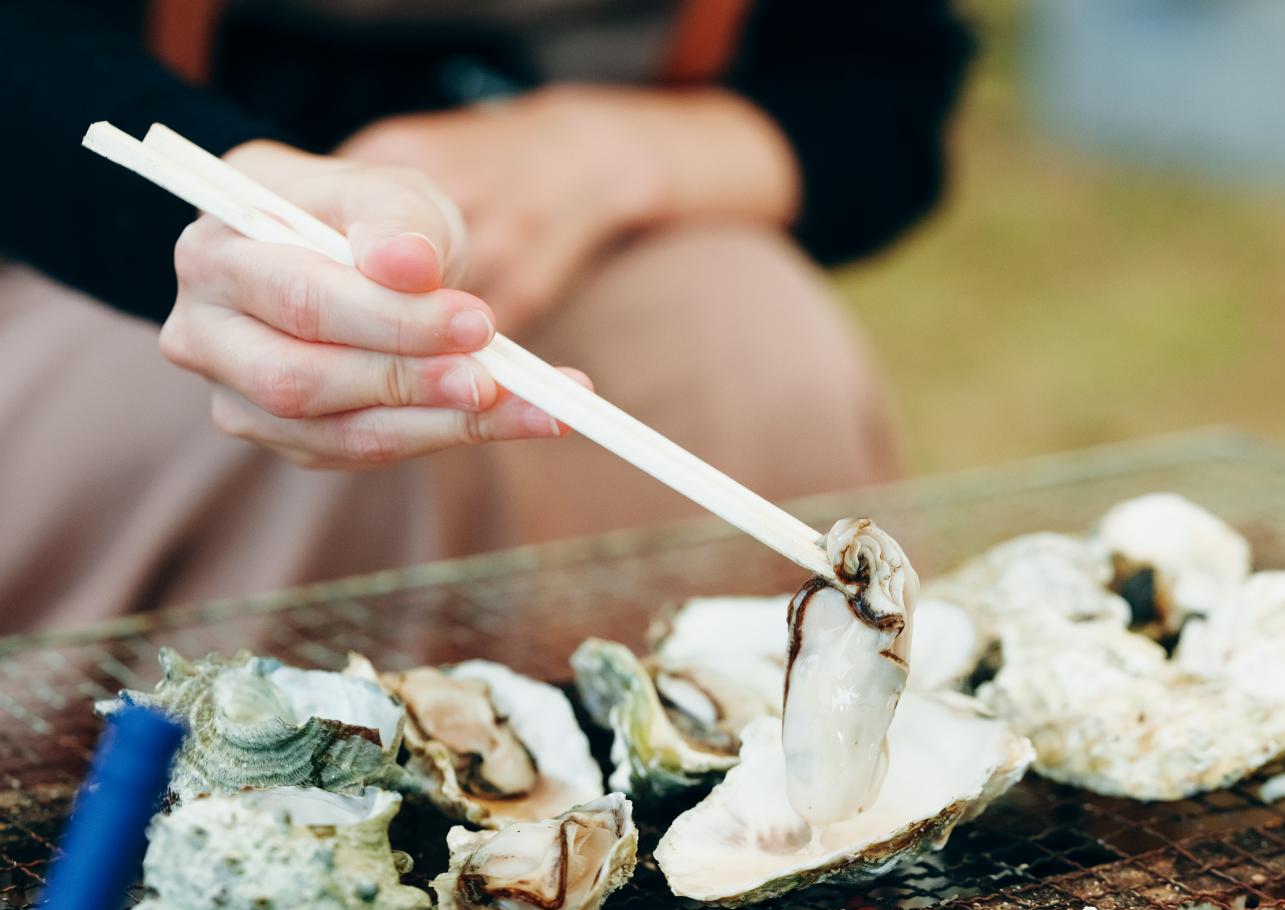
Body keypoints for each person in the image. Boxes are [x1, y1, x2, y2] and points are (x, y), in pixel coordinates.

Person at [0, 1, 973, 631]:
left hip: (625, 229)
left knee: (752, 346)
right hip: (104, 234)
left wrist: (611, 152)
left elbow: (880, 80)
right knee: (266, 433)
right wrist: (223, 203)